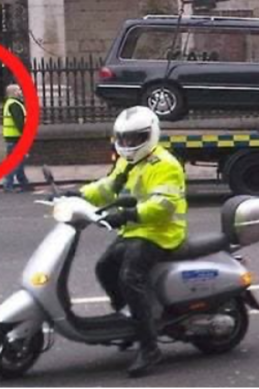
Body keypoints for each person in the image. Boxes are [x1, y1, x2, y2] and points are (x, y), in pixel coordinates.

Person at [81, 107, 187, 378]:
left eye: (134, 138)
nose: (127, 144)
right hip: (137, 231)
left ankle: (150, 346)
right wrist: (78, 195)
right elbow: (108, 187)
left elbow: (162, 206)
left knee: (130, 276)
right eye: (123, 138)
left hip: (161, 232)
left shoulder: (165, 165)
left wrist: (127, 214)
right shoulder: (127, 162)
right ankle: (131, 320)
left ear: (150, 135)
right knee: (104, 267)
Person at [3, 84, 30, 193]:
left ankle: (24, 183)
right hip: (16, 138)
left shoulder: (11, 103)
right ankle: (8, 185)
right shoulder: (14, 104)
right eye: (19, 90)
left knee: (19, 162)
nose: (21, 92)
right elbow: (19, 123)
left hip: (12, 138)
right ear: (14, 92)